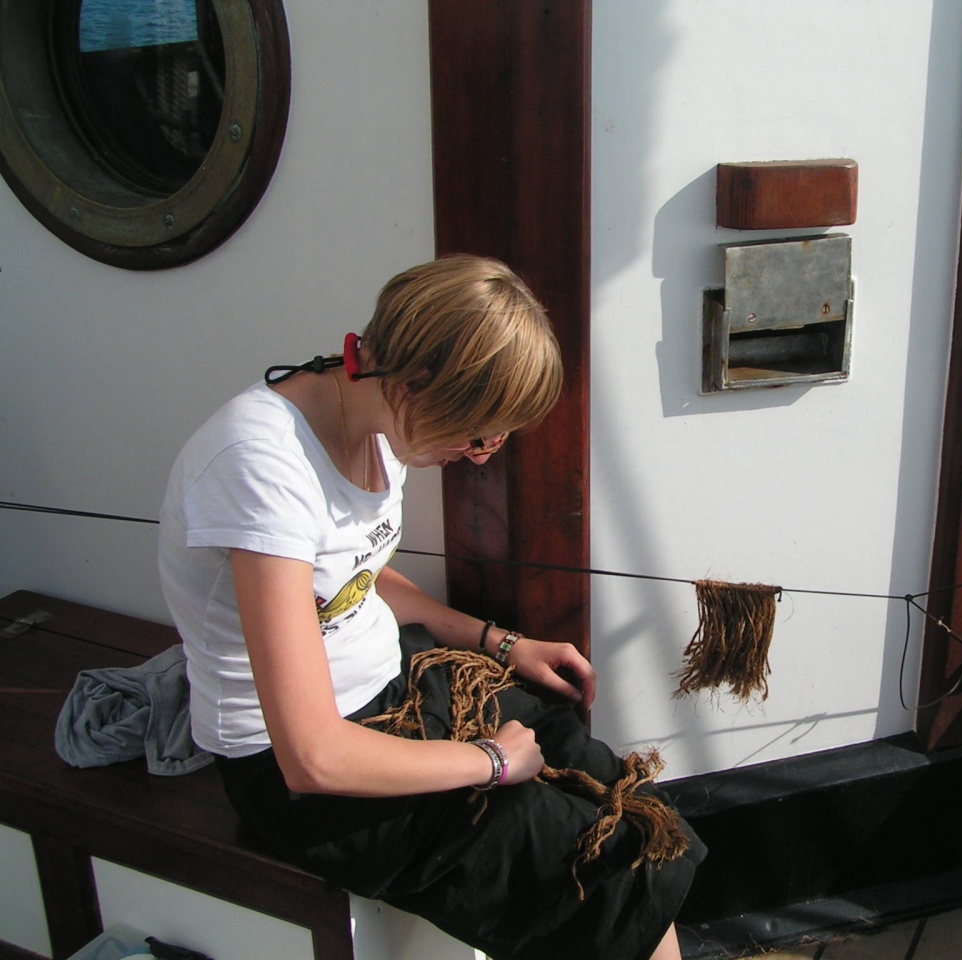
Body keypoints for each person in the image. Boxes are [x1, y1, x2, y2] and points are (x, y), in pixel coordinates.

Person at [157, 255, 705, 960]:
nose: (481, 456)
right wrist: (488, 761)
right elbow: (313, 758)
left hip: (397, 685)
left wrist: (502, 643)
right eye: (475, 433)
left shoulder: (377, 421)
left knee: (611, 787)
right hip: (303, 776)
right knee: (602, 871)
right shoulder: (260, 465)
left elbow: (355, 576)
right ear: (415, 384)